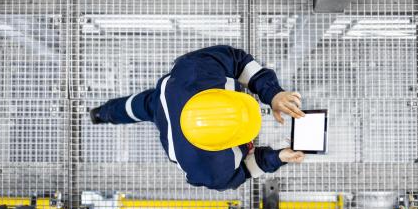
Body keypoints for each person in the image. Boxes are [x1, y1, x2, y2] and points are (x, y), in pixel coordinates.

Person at [90, 45, 305, 191]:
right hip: (169, 117)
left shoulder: (198, 70)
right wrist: (278, 158)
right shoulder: (210, 169)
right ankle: (100, 114)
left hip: (167, 96)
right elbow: (246, 170)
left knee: (135, 106)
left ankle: (101, 113)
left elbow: (238, 61)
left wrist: (273, 93)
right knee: (139, 106)